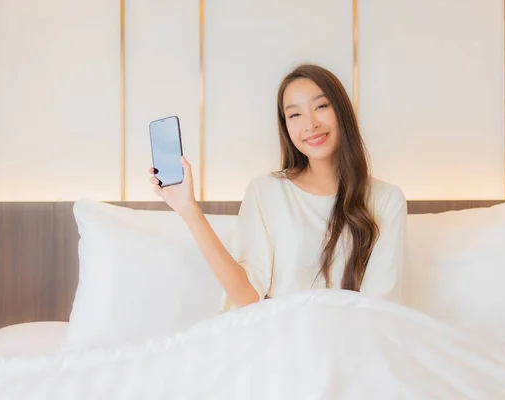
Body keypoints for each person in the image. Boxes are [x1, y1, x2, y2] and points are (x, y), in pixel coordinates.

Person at [149, 64, 408, 310]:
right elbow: (248, 297)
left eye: (320, 106)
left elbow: (379, 308)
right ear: (285, 126)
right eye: (295, 114)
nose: (310, 124)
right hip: (277, 339)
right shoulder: (265, 191)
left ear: (342, 111)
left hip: (347, 344)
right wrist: (188, 209)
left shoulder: (386, 200)